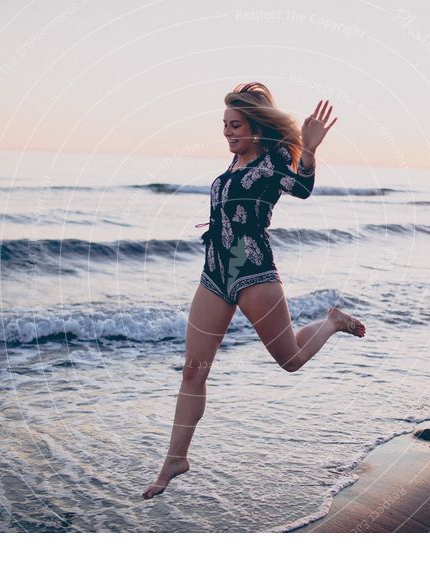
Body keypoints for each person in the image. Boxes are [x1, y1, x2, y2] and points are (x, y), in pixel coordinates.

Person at [142, 82, 365, 500]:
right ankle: (175, 459)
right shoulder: (233, 163)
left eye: (235, 125)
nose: (228, 133)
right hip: (214, 273)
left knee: (291, 359)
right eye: (224, 125)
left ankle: (332, 321)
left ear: (255, 126)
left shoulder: (275, 158)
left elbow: (301, 188)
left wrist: (310, 149)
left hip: (253, 272)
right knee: (193, 369)